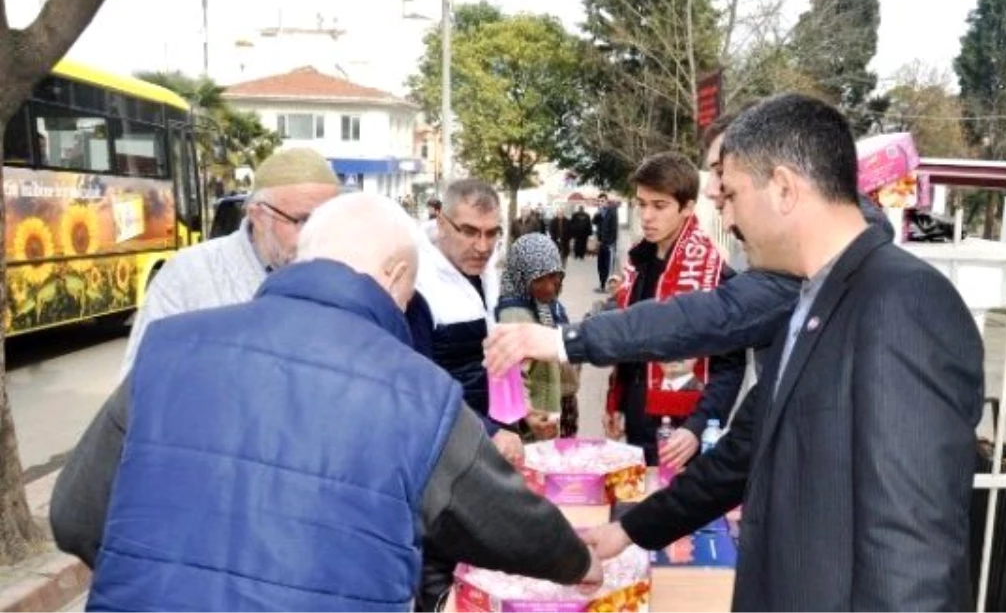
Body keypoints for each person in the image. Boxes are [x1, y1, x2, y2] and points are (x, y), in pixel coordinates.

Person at [51, 193, 601, 611]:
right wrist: (576, 561)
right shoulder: (416, 391)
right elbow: (496, 516)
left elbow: (74, 515)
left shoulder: (169, 346)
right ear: (394, 275)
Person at [578, 94, 984, 611]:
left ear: (784, 189)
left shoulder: (901, 302)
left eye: (732, 193)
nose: (728, 215)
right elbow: (744, 451)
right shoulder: (812, 298)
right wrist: (632, 530)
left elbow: (912, 553)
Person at [481, 106, 891, 378]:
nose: (713, 190)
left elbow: (709, 316)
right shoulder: (821, 266)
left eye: (721, 173)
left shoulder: (886, 286)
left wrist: (563, 341)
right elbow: (758, 426)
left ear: (782, 185)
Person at [115, 148, 341, 382]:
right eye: (303, 220)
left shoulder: (346, 277)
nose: (319, 235)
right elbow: (140, 386)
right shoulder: (188, 276)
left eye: (330, 221)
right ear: (258, 216)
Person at [605, 152, 744, 467]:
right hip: (637, 411)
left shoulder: (714, 274)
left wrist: (697, 428)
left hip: (682, 423)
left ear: (688, 208)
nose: (647, 217)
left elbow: (730, 366)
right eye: (641, 204)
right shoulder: (637, 263)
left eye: (659, 205)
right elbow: (629, 337)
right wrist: (617, 401)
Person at [417, 179, 522, 462]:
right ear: (441, 223)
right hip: (444, 452)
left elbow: (484, 363)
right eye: (469, 231)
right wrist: (488, 431)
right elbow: (420, 386)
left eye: (492, 233)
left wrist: (520, 409)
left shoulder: (487, 273)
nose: (482, 246)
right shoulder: (417, 285)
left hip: (487, 441)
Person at [495, 233, 577, 442]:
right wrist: (529, 416)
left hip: (546, 417)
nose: (550, 286)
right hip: (533, 431)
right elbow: (509, 378)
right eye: (539, 279)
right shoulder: (515, 315)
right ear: (522, 276)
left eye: (554, 276)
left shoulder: (541, 304)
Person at [593, 193, 620, 291]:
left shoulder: (612, 211)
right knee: (601, 266)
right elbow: (594, 222)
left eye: (603, 201)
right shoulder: (600, 213)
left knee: (608, 266)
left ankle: (609, 288)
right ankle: (602, 285)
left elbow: (614, 228)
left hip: (609, 244)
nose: (601, 203)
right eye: (599, 201)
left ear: (606, 201)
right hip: (601, 243)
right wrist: (598, 214)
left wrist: (611, 242)